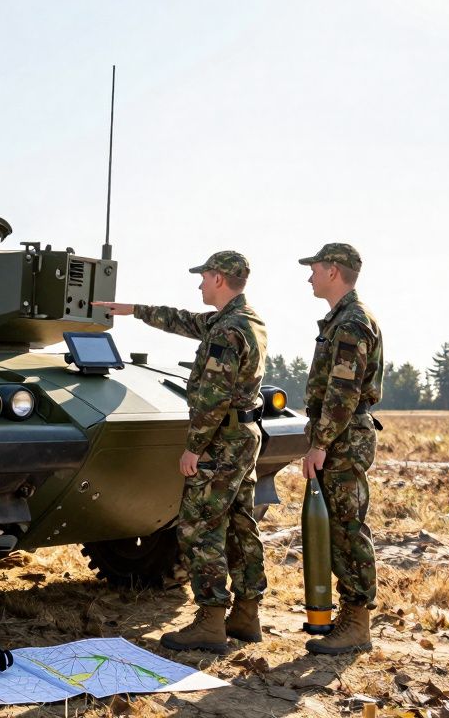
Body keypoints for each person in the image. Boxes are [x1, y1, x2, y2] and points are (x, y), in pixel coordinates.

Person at [92, 250, 267, 654]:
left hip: (220, 440)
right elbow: (183, 320)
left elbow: (213, 397)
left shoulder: (226, 331)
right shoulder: (245, 320)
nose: (200, 283)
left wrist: (194, 448)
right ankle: (246, 614)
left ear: (219, 278)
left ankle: (210, 621)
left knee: (200, 527)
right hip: (243, 436)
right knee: (241, 525)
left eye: (204, 277)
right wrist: (134, 310)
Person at [297, 243, 383, 655]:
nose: (309, 276)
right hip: (339, 434)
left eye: (314, 269)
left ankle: (357, 624)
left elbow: (343, 391)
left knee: (348, 529)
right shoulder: (340, 320)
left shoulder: (351, 323)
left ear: (333, 271)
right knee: (337, 528)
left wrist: (320, 443)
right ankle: (347, 618)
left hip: (343, 437)